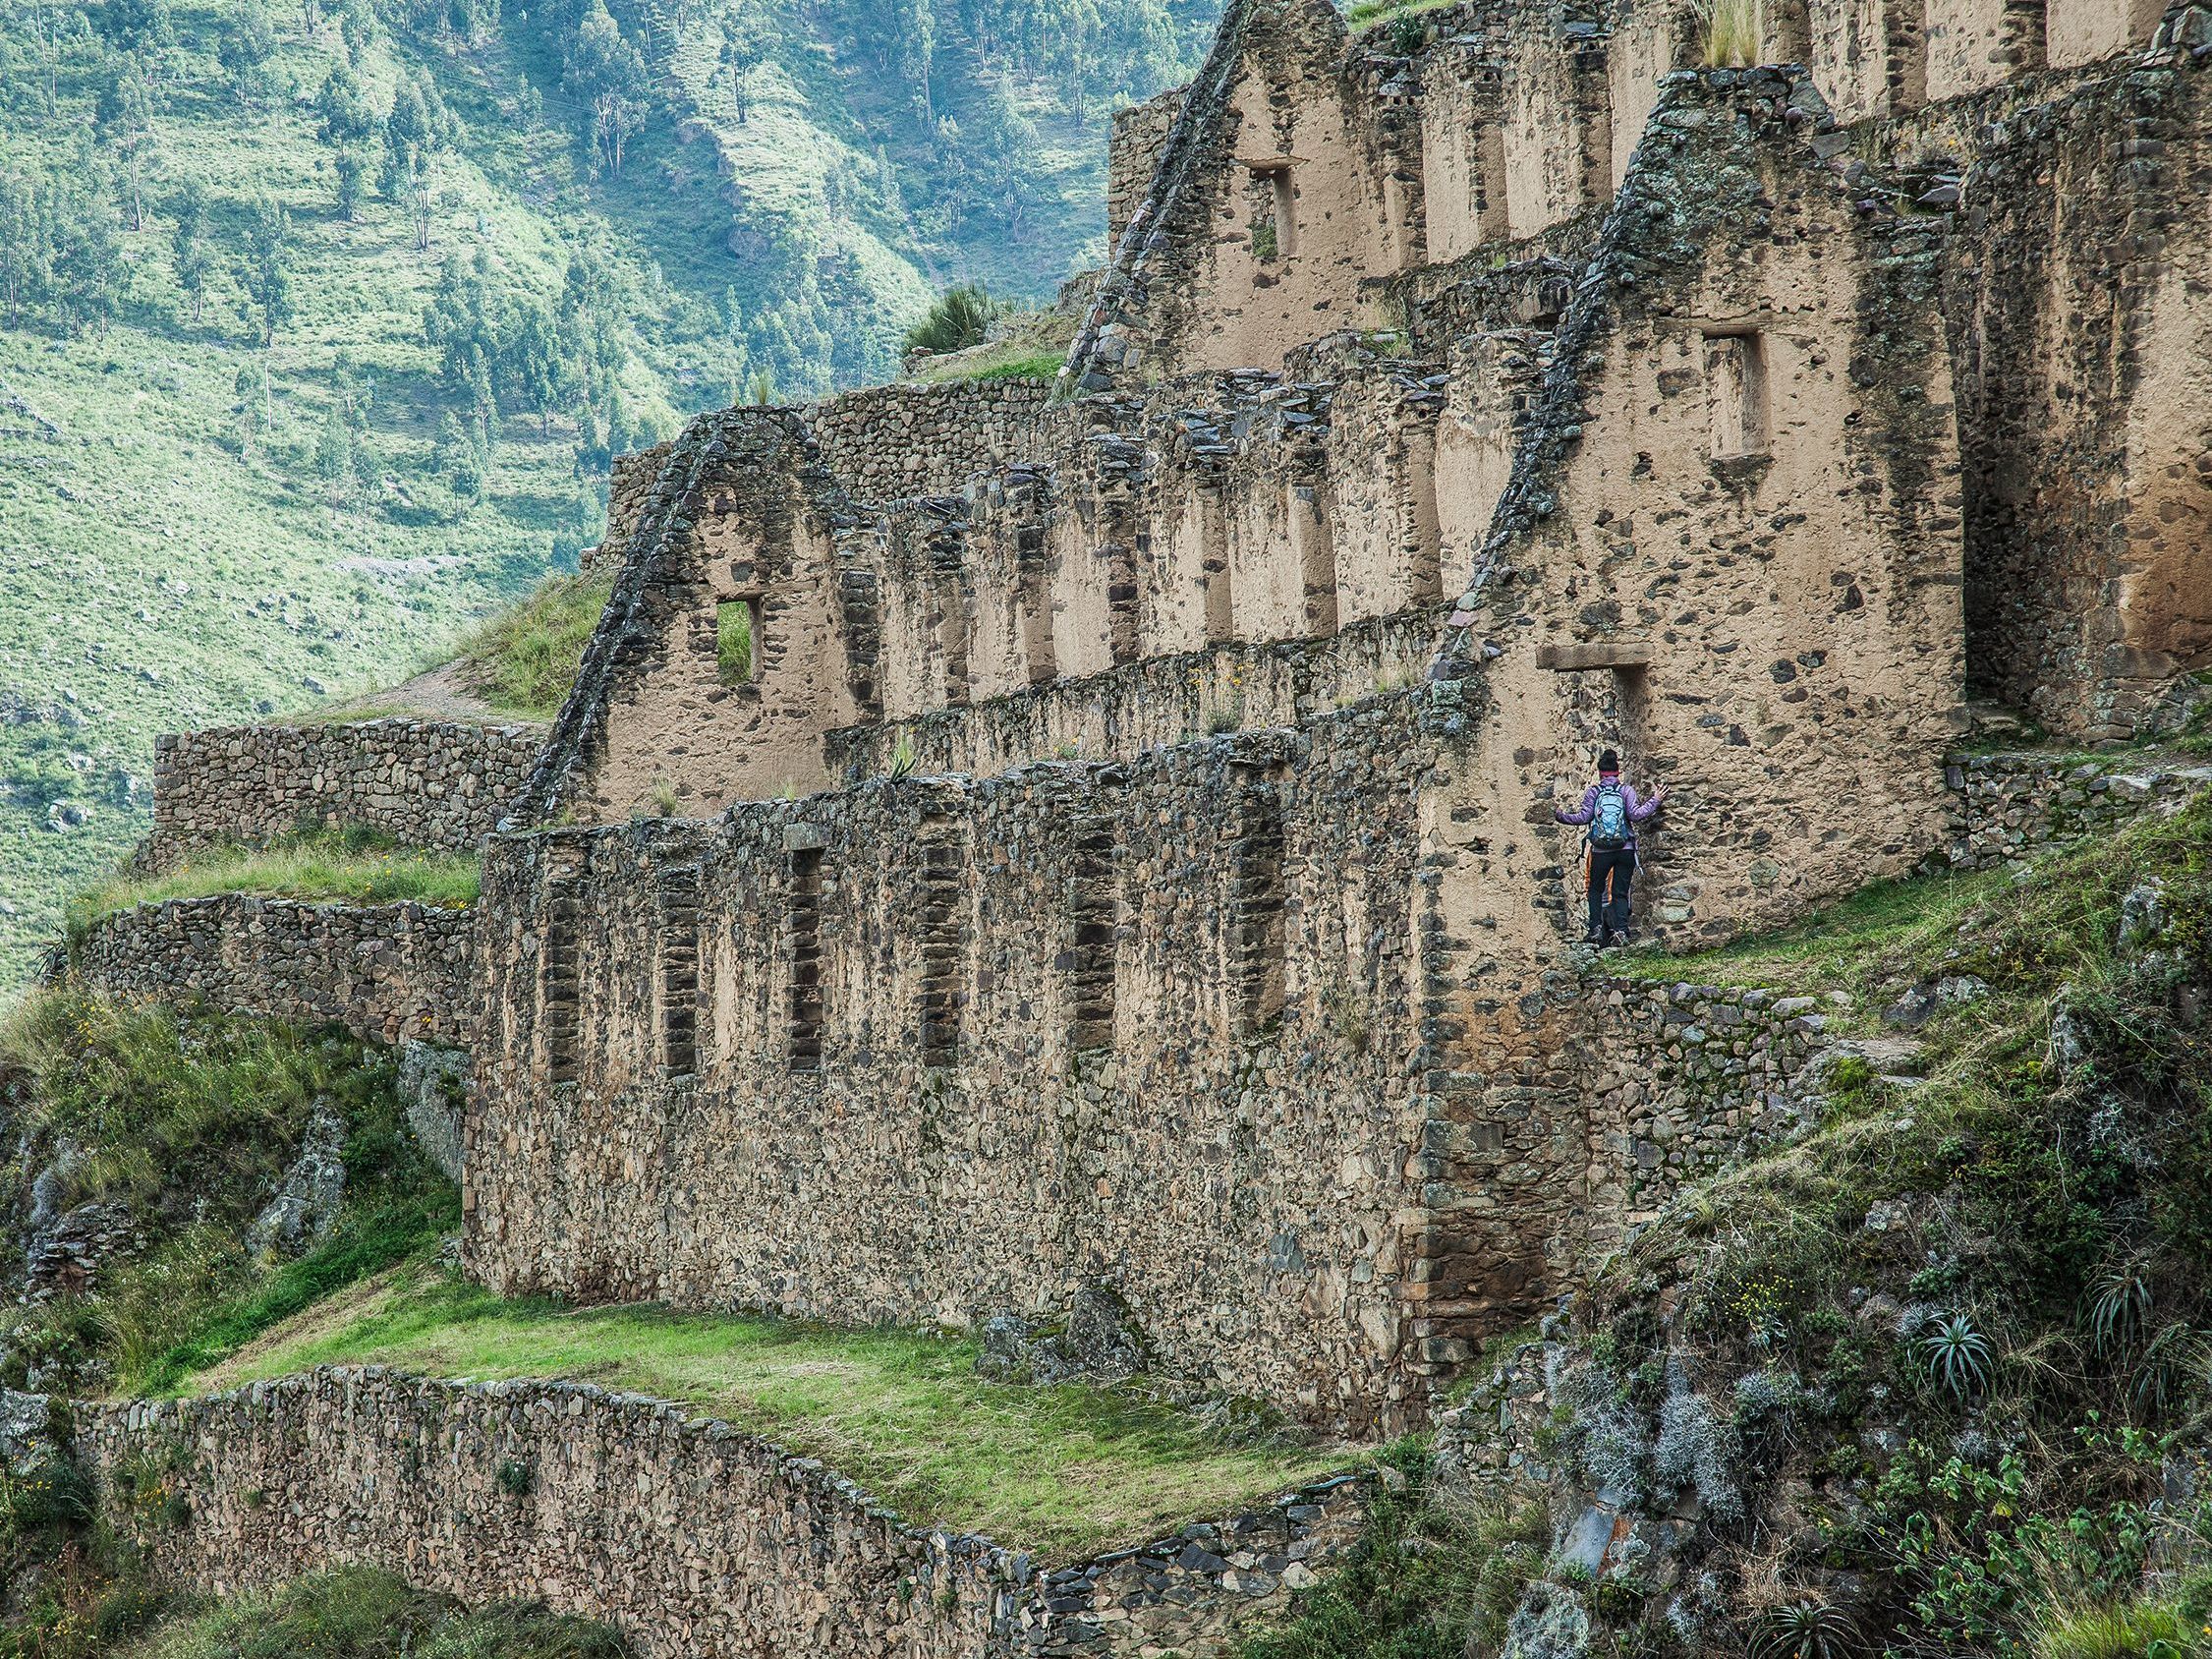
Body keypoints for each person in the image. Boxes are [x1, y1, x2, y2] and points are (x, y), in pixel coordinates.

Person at [1553, 749, 1667, 946]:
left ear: (1600, 773)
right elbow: (1636, 815)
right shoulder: (1626, 791)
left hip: (1601, 851)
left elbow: (1583, 818)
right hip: (1625, 849)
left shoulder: (1594, 792)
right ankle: (1621, 931)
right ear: (1618, 771)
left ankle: (1595, 929)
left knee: (1595, 889)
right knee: (1620, 891)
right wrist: (1655, 799)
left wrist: (1560, 815)